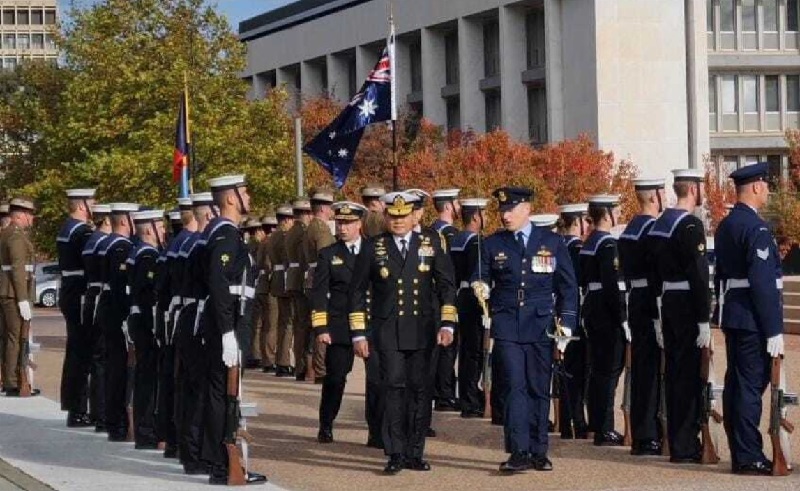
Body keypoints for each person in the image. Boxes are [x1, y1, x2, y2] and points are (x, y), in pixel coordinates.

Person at [471, 187, 578, 472]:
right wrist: (480, 285)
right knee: (514, 386)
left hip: (541, 324)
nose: (505, 216)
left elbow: (568, 287)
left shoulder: (551, 242)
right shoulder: (493, 243)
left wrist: (567, 323)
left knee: (538, 387)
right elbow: (481, 274)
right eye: (502, 211)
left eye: (510, 210)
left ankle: (539, 450)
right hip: (507, 323)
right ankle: (519, 451)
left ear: (527, 209)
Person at [350, 191, 457, 474]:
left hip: (423, 329)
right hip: (387, 330)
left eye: (403, 216)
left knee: (420, 390)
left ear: (414, 217)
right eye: (393, 216)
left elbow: (447, 286)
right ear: (386, 217)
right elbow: (357, 292)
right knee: (394, 388)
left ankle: (415, 452)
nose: (398, 221)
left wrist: (447, 323)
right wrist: (359, 333)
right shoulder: (374, 247)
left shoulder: (430, 243)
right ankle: (395, 451)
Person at [715, 162, 783, 475]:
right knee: (749, 388)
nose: (767, 191)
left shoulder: (727, 225)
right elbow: (762, 283)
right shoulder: (756, 229)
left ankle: (742, 450)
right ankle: (748, 455)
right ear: (756, 187)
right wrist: (773, 329)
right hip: (753, 318)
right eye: (766, 185)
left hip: (735, 313)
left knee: (738, 385)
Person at [200, 175, 266, 485]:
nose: (248, 198)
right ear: (231, 199)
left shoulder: (224, 234)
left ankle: (220, 463)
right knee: (224, 396)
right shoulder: (225, 235)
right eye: (244, 192)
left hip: (229, 324)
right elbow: (219, 283)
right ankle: (224, 465)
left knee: (225, 395)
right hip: (228, 326)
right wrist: (227, 331)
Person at [648, 168, 711, 463]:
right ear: (694, 189)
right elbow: (699, 274)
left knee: (674, 375)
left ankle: (676, 440)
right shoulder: (690, 225)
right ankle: (685, 444)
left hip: (668, 302)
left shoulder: (660, 224)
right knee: (687, 376)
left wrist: (657, 313)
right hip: (687, 304)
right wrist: (704, 319)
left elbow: (652, 273)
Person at [312, 201, 368, 443]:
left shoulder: (373, 250)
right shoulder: (329, 254)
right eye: (339, 222)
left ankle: (377, 429)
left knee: (377, 380)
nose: (342, 228)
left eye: (348, 223)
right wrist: (321, 327)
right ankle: (326, 423)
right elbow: (318, 293)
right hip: (340, 323)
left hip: (370, 321)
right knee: (335, 378)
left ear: (359, 224)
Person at [618, 179, 666, 456]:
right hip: (650, 301)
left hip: (635, 299)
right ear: (655, 196)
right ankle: (649, 433)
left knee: (641, 368)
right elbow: (657, 270)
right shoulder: (651, 229)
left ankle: (642, 431)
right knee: (650, 371)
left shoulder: (629, 229)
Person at [580, 194, 627, 447]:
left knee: (598, 370)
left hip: (592, 307)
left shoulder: (590, 242)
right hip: (606, 312)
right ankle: (605, 427)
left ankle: (596, 423)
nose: (618, 215)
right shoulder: (607, 244)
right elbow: (612, 285)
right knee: (609, 371)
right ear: (606, 214)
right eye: (616, 211)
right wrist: (622, 318)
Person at [174, 192, 215, 475]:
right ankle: (197, 453)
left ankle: (189, 451)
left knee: (189, 388)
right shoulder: (202, 245)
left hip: (186, 315)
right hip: (199, 319)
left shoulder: (187, 243)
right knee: (200, 390)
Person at [155, 198, 196, 459]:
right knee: (184, 381)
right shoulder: (188, 243)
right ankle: (179, 440)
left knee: (173, 378)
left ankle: (171, 438)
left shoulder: (173, 244)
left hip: (172, 314)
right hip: (183, 314)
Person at [96, 202, 138, 441]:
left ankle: (112, 420)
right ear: (124, 221)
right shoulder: (121, 247)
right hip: (116, 311)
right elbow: (121, 287)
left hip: (107, 308)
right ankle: (118, 423)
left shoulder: (107, 243)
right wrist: (126, 318)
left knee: (113, 366)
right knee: (119, 369)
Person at [56, 188, 96, 426]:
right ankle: (78, 409)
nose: (95, 205)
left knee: (75, 351)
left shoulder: (67, 228)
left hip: (69, 291)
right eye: (92, 201)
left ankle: (74, 406)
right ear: (82, 205)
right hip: (79, 293)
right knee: (82, 353)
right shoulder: (82, 232)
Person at [127, 209, 165, 449]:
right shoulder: (148, 255)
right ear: (150, 230)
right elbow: (148, 293)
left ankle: (144, 428)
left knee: (144, 374)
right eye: (160, 227)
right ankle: (146, 429)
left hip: (138, 318)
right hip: (145, 320)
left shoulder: (136, 252)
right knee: (148, 377)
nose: (163, 231)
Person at [451, 198, 488, 419]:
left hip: (461, 296)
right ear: (475, 216)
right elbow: (479, 274)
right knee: (474, 351)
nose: (487, 217)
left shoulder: (457, 239)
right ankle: (471, 399)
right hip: (474, 298)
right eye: (484, 213)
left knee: (466, 350)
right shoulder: (475, 242)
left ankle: (467, 396)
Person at [556, 203, 590, 439]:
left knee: (565, 371)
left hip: (559, 313)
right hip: (574, 315)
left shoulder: (558, 247)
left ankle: (567, 423)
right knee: (576, 372)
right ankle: (576, 421)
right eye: (585, 220)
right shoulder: (577, 249)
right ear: (576, 222)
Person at [0, 197, 38, 397]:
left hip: (9, 291)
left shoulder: (8, 233)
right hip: (14, 293)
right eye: (30, 214)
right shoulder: (15, 236)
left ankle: (11, 379)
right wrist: (22, 299)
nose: (32, 218)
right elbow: (18, 269)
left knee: (10, 337)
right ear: (20, 215)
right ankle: (14, 382)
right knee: (16, 338)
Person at [82, 204, 112, 430]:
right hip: (101, 299)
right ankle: (101, 414)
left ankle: (97, 413)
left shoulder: (92, 241)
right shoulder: (103, 243)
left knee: (97, 360)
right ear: (108, 221)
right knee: (102, 360)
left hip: (92, 297)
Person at [430, 188, 461, 412]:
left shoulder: (430, 231)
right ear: (449, 206)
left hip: (433, 296)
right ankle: (445, 394)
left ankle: (441, 391)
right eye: (457, 203)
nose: (459, 207)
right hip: (448, 294)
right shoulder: (450, 234)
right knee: (448, 348)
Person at [305, 189, 336, 382]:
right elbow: (326, 256)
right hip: (321, 280)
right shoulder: (321, 229)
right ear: (324, 208)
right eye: (330, 206)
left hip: (312, 279)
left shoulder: (312, 226)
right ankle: (321, 369)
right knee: (322, 325)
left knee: (312, 325)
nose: (332, 210)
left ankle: (312, 368)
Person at [286, 197, 313, 381]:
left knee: (298, 324)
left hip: (292, 278)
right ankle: (304, 366)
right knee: (305, 325)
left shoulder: (289, 232)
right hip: (301, 278)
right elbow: (305, 256)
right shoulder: (302, 232)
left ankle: (299, 366)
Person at [268, 204, 295, 377]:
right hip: (285, 279)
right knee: (288, 323)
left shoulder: (272, 237)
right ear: (286, 220)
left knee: (281, 322)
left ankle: (280, 360)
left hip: (276, 280)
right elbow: (287, 259)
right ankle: (283, 361)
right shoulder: (285, 236)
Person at [255, 214, 279, 373]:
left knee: (263, 325)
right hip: (270, 286)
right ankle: (269, 359)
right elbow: (269, 265)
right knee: (271, 325)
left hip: (261, 285)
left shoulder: (262, 242)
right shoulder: (271, 242)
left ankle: (263, 357)